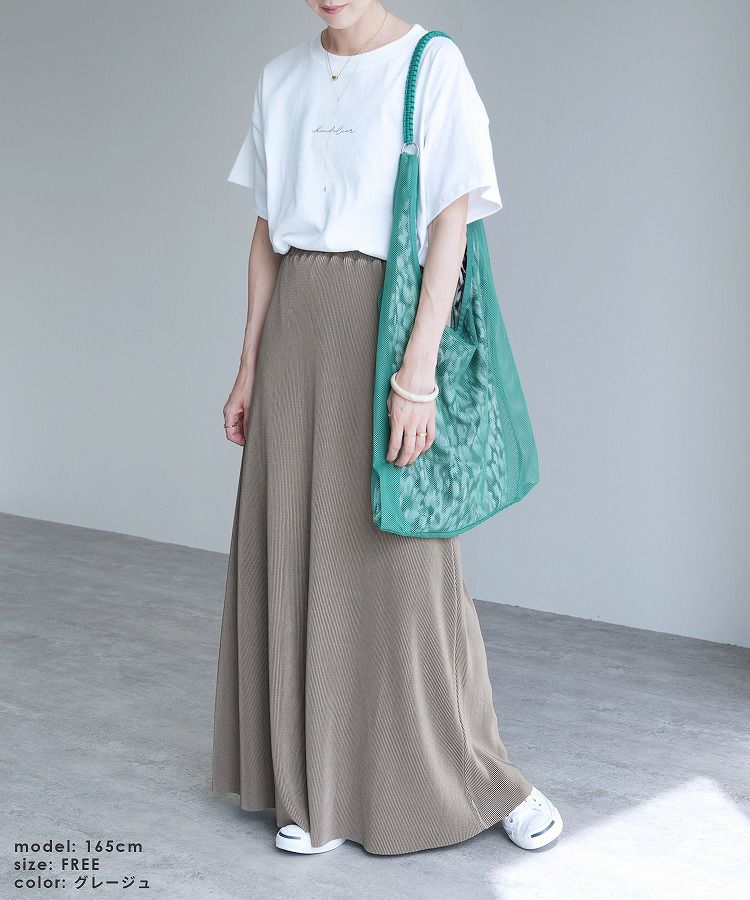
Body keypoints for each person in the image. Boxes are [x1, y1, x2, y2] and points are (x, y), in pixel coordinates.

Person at [211, 0, 563, 856]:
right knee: (299, 553)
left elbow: (452, 223)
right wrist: (249, 364)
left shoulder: (431, 66)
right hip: (297, 329)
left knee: (406, 568)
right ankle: (317, 790)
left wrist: (418, 372)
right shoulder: (280, 80)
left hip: (386, 330)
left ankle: (486, 781)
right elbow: (265, 237)